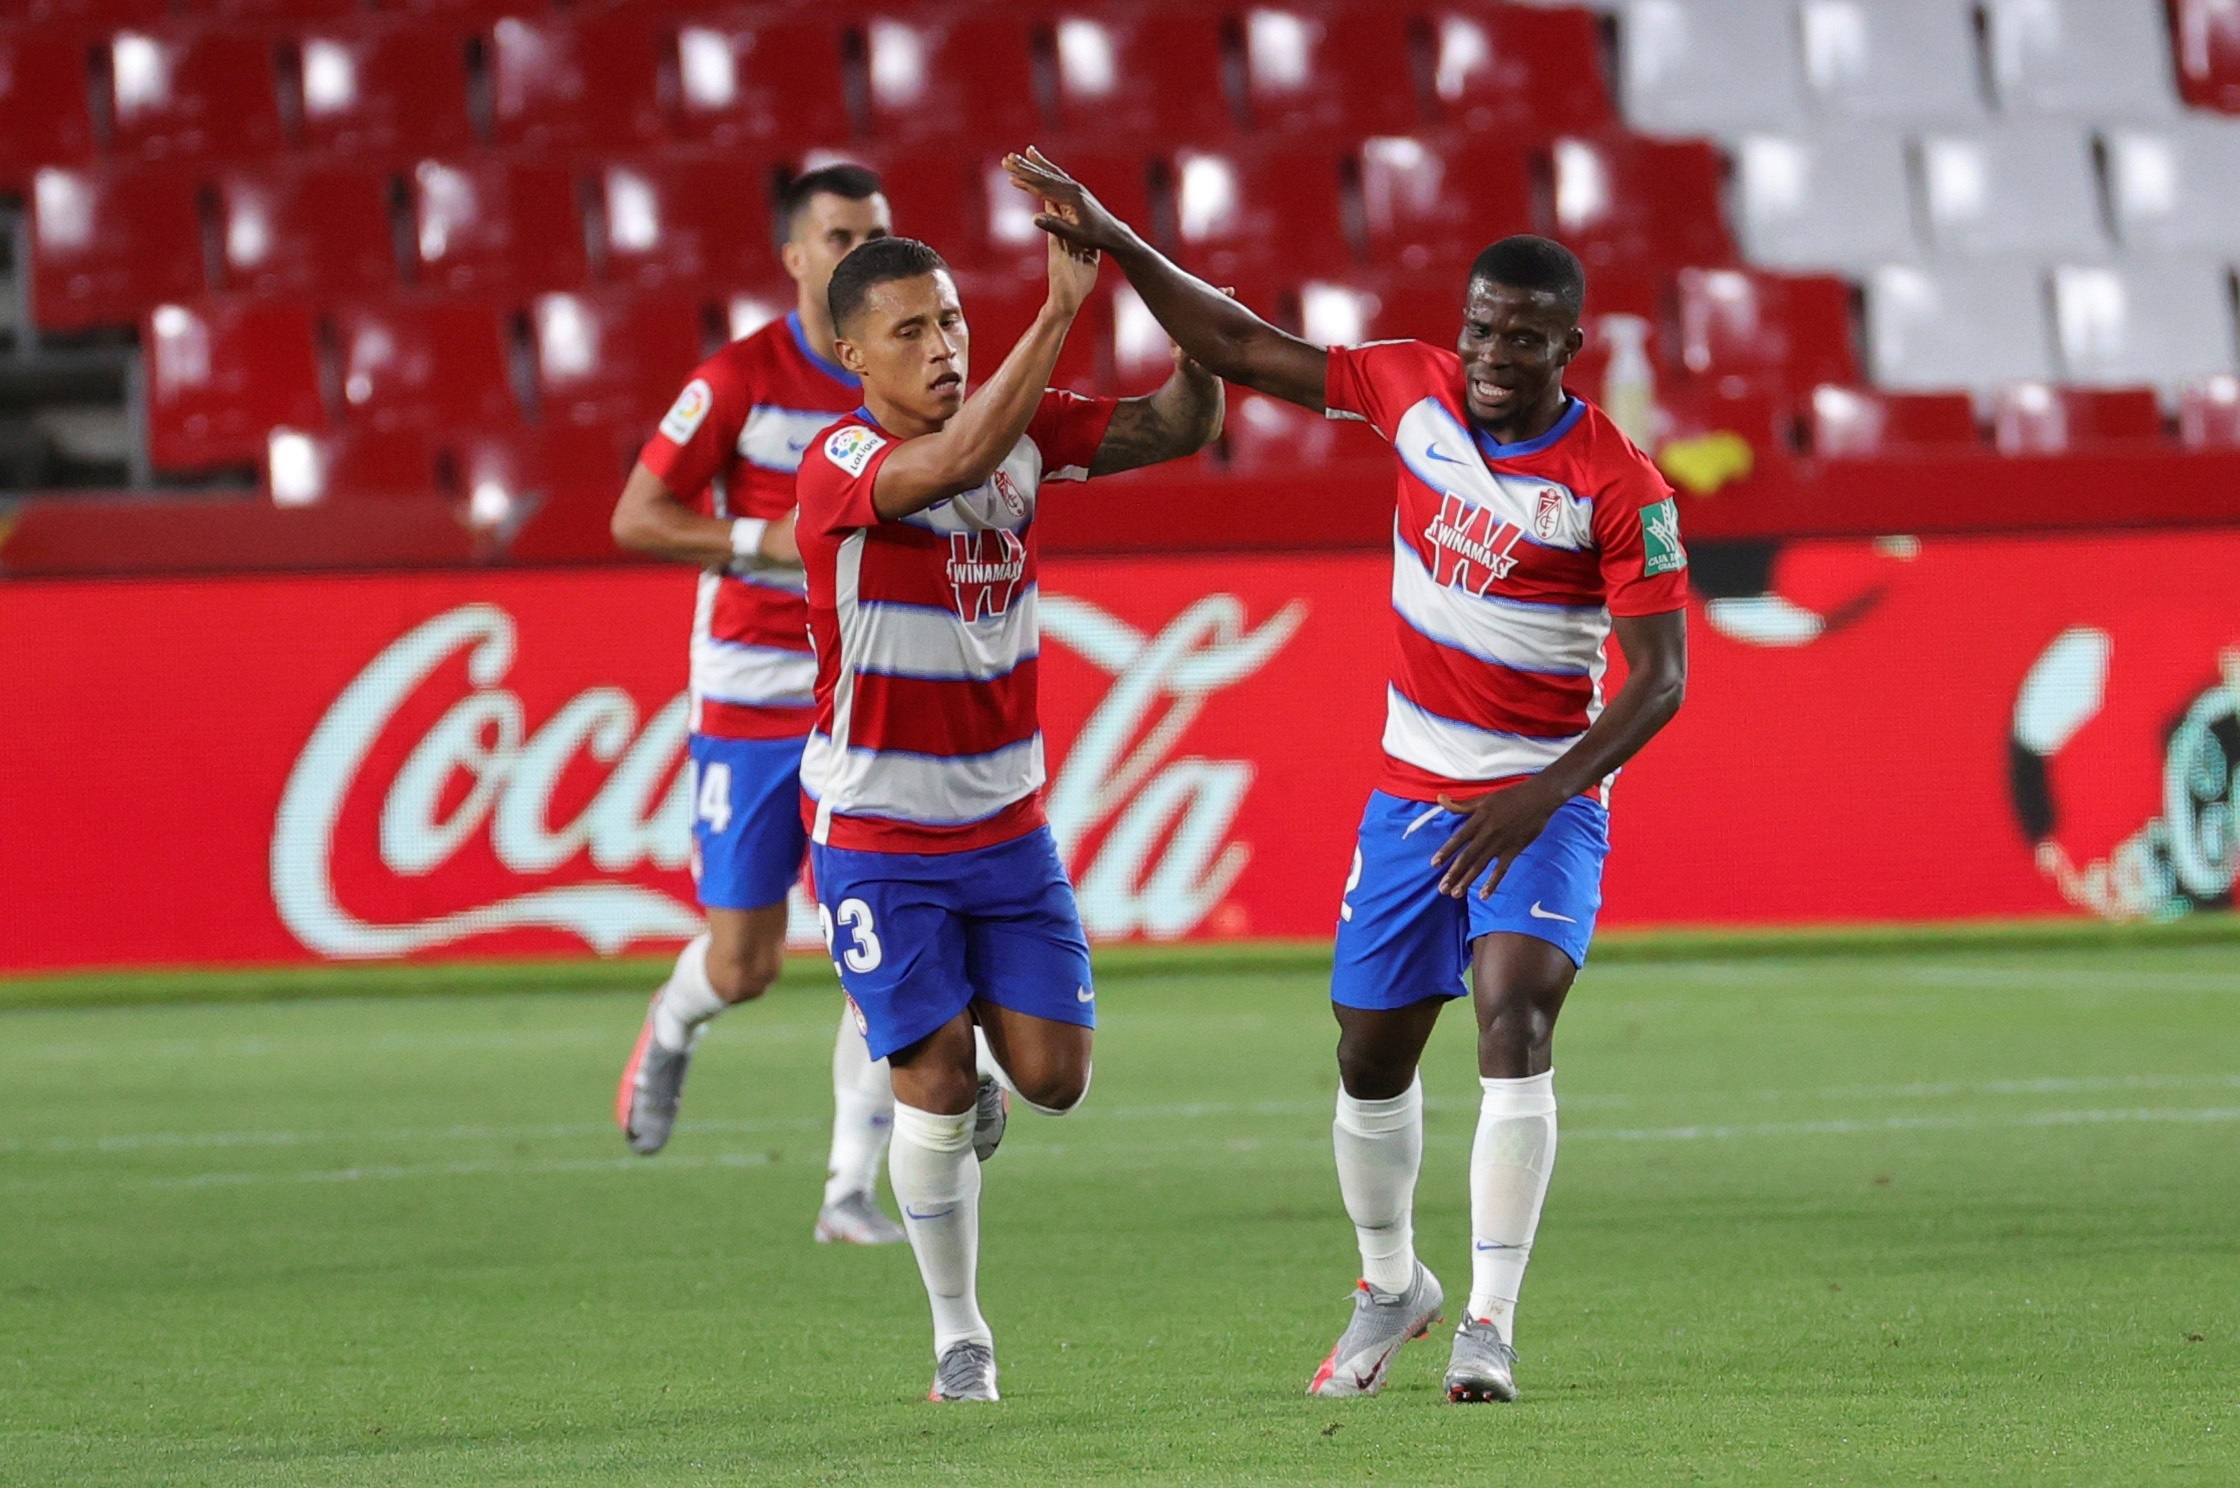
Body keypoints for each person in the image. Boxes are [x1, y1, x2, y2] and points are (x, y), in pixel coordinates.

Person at [1004, 148, 1690, 1404]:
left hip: (1541, 801)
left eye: (1523, 339)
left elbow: (1658, 680)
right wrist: (1113, 239)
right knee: (1368, 1056)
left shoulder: (1617, 485)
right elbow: (1245, 343)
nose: (1491, 354)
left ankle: (1486, 1321)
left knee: (1512, 1017)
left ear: (1569, 349)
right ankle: (1391, 1288)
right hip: (1413, 795)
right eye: (1480, 327)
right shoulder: (1407, 390)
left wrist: (1542, 792)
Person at [793, 227, 1223, 1401]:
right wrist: (1057, 309)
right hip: (877, 837)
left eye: (949, 323)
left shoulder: (1018, 429)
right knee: (929, 1079)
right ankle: (958, 1338)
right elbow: (957, 453)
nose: (940, 348)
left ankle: (967, 1058)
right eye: (910, 332)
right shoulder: (837, 463)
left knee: (1055, 1079)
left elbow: (1181, 427)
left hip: (1005, 829)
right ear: (851, 355)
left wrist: (1192, 319)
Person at [610, 164, 912, 1246]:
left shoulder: (903, 367)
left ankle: (847, 1190)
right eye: (838, 237)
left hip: (865, 692)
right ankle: (674, 1023)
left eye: (875, 235)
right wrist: (759, 543)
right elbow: (638, 515)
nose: (858, 254)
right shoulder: (740, 378)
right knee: (742, 963)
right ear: (794, 256)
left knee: (871, 941)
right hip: (748, 692)